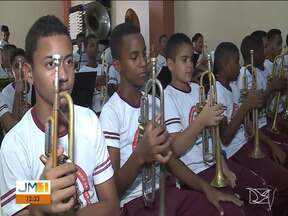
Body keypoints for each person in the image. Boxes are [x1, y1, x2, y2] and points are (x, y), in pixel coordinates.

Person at [100, 22, 244, 216]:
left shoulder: (153, 102)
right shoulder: (112, 112)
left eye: (144, 54)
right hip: (134, 203)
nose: (144, 62)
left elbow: (171, 159)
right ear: (117, 65)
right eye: (134, 57)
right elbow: (113, 187)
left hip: (166, 192)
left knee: (229, 211)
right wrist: (140, 155)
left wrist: (207, 189)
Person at [0, 15, 119, 216]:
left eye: (69, 61)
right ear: (28, 72)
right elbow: (22, 206)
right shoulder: (15, 145)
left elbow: (112, 206)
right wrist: (40, 203)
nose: (63, 75)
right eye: (50, 64)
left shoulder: (90, 121)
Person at [164, 33, 270, 215]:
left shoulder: (199, 89)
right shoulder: (168, 97)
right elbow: (176, 148)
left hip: (216, 164)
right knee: (235, 209)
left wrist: (225, 168)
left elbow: (214, 138)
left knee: (262, 193)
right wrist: (201, 120)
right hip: (195, 172)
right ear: (170, 64)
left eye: (191, 59)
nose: (190, 65)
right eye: (184, 60)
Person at [215, 39, 288, 216]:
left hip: (246, 144)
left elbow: (247, 126)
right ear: (225, 65)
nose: (240, 66)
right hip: (233, 152)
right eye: (236, 61)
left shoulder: (231, 87)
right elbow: (225, 137)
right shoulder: (216, 92)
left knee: (281, 181)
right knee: (265, 194)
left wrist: (269, 144)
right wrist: (246, 106)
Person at [0, 48, 32, 133]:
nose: (21, 69)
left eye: (24, 65)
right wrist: (17, 93)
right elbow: (11, 127)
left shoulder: (36, 87)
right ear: (11, 70)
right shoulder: (5, 93)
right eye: (17, 66)